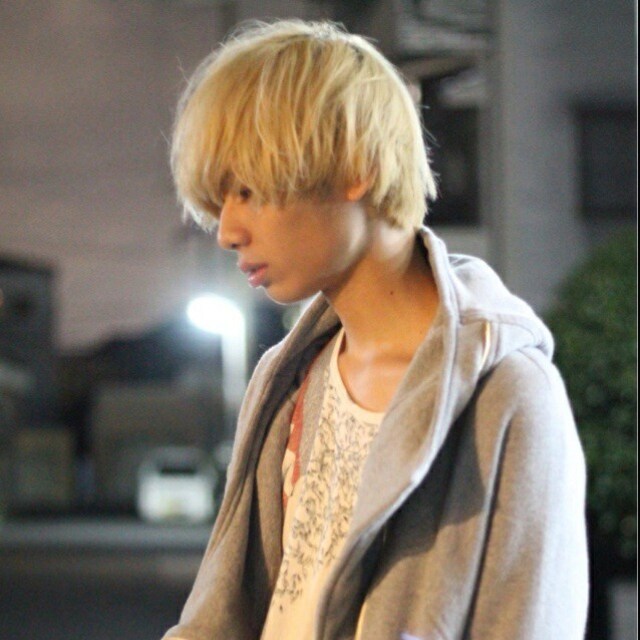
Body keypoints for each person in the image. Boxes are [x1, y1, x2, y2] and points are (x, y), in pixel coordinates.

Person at [162, 19, 589, 640]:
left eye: (249, 190)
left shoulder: (508, 394)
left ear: (355, 167)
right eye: (219, 200)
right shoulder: (288, 380)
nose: (227, 231)